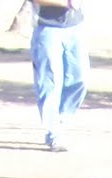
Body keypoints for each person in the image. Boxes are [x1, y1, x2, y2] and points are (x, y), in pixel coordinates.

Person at [30, 0, 87, 152]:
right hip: (47, 28)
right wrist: (66, 3)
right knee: (49, 83)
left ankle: (62, 120)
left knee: (80, 79)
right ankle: (54, 133)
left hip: (75, 27)